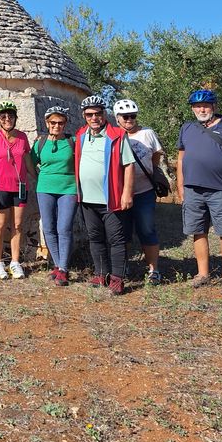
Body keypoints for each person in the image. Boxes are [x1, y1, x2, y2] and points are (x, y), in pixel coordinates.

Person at [176, 89, 222, 297]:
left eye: (206, 105)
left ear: (214, 107)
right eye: (198, 106)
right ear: (192, 108)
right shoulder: (187, 128)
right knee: (198, 231)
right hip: (193, 190)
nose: (202, 109)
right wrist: (181, 186)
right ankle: (203, 273)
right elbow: (181, 159)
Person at [75, 95, 135, 295]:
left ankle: (117, 278)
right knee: (95, 237)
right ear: (84, 116)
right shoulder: (81, 135)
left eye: (98, 113)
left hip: (111, 198)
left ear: (104, 114)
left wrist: (127, 193)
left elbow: (128, 166)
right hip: (87, 198)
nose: (94, 118)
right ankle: (102, 273)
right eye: (89, 114)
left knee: (116, 239)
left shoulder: (118, 135)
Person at [114, 98, 166, 285]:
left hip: (144, 190)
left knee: (147, 229)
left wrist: (150, 172)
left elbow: (156, 155)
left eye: (132, 116)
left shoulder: (147, 134)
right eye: (125, 116)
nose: (129, 119)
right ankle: (124, 266)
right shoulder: (113, 135)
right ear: (117, 118)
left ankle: (154, 270)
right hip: (120, 192)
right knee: (123, 231)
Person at [0, 101, 36, 280]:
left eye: (10, 116)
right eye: (3, 117)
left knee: (18, 225)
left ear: (15, 118)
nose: (7, 119)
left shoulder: (22, 137)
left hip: (20, 187)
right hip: (0, 188)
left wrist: (39, 177)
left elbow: (28, 162)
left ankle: (14, 262)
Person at [31, 106, 77, 286]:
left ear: (65, 123)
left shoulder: (72, 141)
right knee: (48, 228)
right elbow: (30, 161)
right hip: (45, 188)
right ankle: (58, 265)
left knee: (64, 228)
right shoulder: (41, 143)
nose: (57, 126)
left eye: (60, 122)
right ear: (47, 123)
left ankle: (64, 269)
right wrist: (38, 177)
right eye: (53, 122)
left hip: (68, 188)